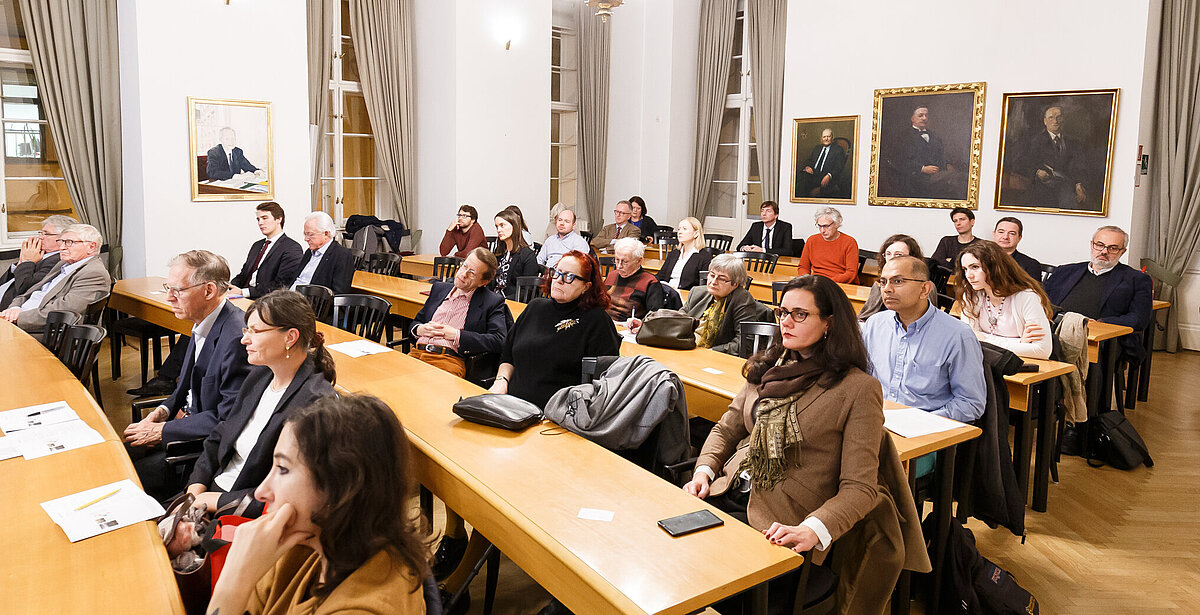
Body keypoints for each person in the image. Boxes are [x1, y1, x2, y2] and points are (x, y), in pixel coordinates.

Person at [683, 275, 884, 612]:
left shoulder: (857, 389)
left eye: (800, 314)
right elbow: (726, 430)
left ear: (830, 324)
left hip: (782, 523)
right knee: (663, 560)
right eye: (782, 312)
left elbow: (861, 487)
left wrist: (814, 529)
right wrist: (704, 471)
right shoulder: (769, 367)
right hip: (725, 494)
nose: (786, 322)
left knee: (702, 581)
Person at [207, 395, 429, 614]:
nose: (261, 492)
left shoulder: (364, 607)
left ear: (341, 488)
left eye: (282, 469)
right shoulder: (305, 545)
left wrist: (233, 584)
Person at [185, 290, 337, 517]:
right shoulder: (260, 375)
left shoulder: (315, 403)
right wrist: (195, 487)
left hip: (246, 512)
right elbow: (220, 434)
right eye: (247, 329)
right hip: (209, 495)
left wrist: (218, 501)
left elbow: (296, 494)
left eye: (254, 331)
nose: (244, 339)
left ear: (290, 337)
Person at [124, 250, 251, 499]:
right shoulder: (201, 321)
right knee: (117, 454)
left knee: (129, 482)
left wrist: (163, 431)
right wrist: (163, 411)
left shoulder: (236, 337)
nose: (169, 298)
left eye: (177, 290)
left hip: (200, 449)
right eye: (167, 288)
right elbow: (186, 388)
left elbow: (226, 418)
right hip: (182, 425)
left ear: (208, 291)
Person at [861, 256, 985, 423]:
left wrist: (921, 421)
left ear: (925, 289)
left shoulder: (957, 335)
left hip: (925, 429)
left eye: (898, 281)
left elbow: (970, 403)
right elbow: (861, 378)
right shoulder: (875, 324)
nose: (887, 289)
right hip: (876, 420)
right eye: (883, 282)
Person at [490, 250, 620, 408]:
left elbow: (604, 381)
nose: (559, 280)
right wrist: (501, 381)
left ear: (586, 286)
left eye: (569, 276)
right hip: (510, 404)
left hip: (556, 414)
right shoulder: (535, 307)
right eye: (557, 273)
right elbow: (508, 355)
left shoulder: (596, 320)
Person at [1044, 226, 1152, 362]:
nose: (1104, 251)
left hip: (1105, 341)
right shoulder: (1064, 271)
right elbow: (1041, 302)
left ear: (1122, 252)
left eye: (1112, 248)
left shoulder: (1136, 279)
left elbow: (1139, 319)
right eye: (1100, 245)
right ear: (1092, 245)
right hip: (1056, 332)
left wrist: (1100, 323)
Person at [410, 247, 509, 379]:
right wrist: (419, 329)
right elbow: (416, 321)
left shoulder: (491, 301)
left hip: (447, 360)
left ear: (483, 282)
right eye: (464, 266)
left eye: (472, 273)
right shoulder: (439, 289)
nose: (463, 274)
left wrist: (457, 335)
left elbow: (499, 340)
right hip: (415, 354)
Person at [637, 254, 761, 356]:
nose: (713, 282)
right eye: (712, 275)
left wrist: (712, 352)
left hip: (716, 357)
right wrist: (646, 325)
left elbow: (745, 342)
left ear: (735, 284)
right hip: (688, 352)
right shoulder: (697, 292)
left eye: (721, 278)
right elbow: (677, 320)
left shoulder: (742, 299)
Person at [1, 223, 111, 337]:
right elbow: (30, 292)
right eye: (61, 242)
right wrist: (14, 308)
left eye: (69, 242)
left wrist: (19, 317)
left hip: (49, 332)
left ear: (91, 247)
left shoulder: (94, 274)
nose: (62, 247)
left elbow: (62, 312)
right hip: (23, 316)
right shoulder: (63, 264)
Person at [956, 241, 1054, 359]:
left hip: (1022, 368)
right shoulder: (971, 293)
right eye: (965, 269)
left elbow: (1042, 350)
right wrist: (1018, 343)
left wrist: (985, 339)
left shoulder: (1026, 297)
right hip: (986, 365)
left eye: (975, 267)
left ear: (994, 266)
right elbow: (967, 341)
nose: (969, 275)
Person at [1013, 105, 1090, 210]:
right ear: (1045, 121)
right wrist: (1036, 171)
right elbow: (1019, 162)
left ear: (1063, 120)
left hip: (1067, 190)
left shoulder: (1073, 143)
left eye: (1059, 117)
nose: (1055, 121)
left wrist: (1078, 184)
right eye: (1051, 117)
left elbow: (1079, 166)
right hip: (1042, 189)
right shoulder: (1034, 141)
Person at [229, 202, 304, 299]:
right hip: (242, 296)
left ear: (278, 219)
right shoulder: (257, 245)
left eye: (264, 218)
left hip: (266, 301)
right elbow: (244, 274)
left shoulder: (292, 248)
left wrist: (244, 292)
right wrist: (229, 287)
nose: (260, 223)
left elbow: (281, 285)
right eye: (258, 219)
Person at [0, 214, 76, 309]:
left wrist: (27, 261)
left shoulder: (58, 261)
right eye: (40, 233)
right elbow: (3, 282)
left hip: (12, 306)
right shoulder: (38, 253)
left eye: (46, 233)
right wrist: (20, 263)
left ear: (63, 238)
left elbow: (24, 287)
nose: (40, 237)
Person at [886, 105, 952, 199]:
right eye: (920, 115)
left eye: (926, 115)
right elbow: (898, 160)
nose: (924, 118)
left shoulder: (934, 136)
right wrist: (922, 169)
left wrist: (947, 164)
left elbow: (942, 154)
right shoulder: (903, 137)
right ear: (912, 118)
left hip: (936, 177)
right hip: (913, 180)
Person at [857, 234, 924, 321]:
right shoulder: (879, 285)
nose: (891, 258)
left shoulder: (922, 287)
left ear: (913, 257)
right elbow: (866, 315)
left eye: (898, 254)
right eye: (888, 254)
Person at [289, 211, 354, 295]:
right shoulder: (309, 252)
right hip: (291, 298)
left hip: (310, 303)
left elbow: (339, 293)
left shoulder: (341, 255)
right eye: (305, 234)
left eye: (310, 234)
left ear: (326, 234)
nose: (306, 239)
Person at [604, 237, 664, 321]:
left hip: (628, 329)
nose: (619, 266)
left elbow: (655, 318)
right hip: (605, 323)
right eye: (617, 260)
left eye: (625, 262)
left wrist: (638, 323)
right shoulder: (612, 275)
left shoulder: (650, 282)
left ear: (639, 261)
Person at [795, 206, 858, 283]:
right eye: (819, 226)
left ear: (837, 224)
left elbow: (851, 273)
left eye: (826, 226)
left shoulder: (849, 242)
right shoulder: (812, 240)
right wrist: (806, 280)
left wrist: (828, 283)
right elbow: (803, 267)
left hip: (839, 284)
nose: (822, 230)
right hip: (816, 282)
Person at [487, 208, 539, 299]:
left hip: (511, 302)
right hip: (494, 299)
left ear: (514, 226)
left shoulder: (527, 255)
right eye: (497, 226)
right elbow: (491, 282)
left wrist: (501, 301)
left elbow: (527, 290)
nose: (499, 230)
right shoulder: (499, 252)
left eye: (502, 225)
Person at [655, 217, 713, 290]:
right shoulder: (674, 253)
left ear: (696, 234)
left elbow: (702, 286)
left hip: (687, 295)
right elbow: (661, 276)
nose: (679, 232)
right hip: (667, 292)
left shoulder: (704, 257)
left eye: (684, 229)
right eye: (679, 229)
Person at [795, 129, 847, 198]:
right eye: (824, 137)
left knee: (806, 190)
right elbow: (809, 160)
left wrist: (829, 175)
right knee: (799, 184)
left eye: (828, 136)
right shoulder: (817, 148)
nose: (826, 139)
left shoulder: (838, 150)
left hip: (825, 178)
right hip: (813, 176)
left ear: (832, 137)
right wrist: (807, 167)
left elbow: (839, 167)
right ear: (821, 139)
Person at [993, 216, 1044, 282]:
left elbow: (1033, 291)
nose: (1005, 237)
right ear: (994, 234)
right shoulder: (980, 258)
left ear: (1019, 238)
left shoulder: (1031, 265)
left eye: (1012, 233)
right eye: (1001, 232)